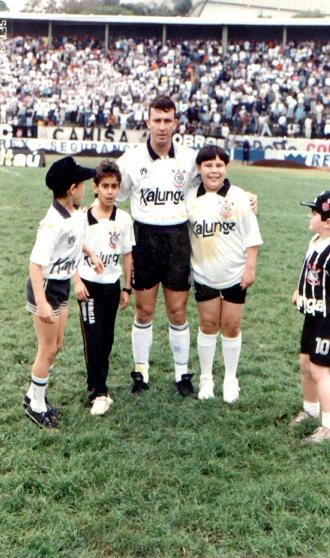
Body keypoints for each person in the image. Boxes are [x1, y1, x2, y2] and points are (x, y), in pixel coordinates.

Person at [117, 95, 258, 396]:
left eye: (168, 121)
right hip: (144, 237)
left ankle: (183, 373)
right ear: (148, 122)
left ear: (176, 123)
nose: (162, 127)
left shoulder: (189, 158)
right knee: (143, 311)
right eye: (157, 120)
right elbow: (112, 195)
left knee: (178, 311)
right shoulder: (130, 160)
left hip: (178, 238)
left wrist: (245, 196)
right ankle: (141, 371)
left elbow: (215, 178)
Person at [24, 156, 103, 429]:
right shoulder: (52, 223)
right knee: (46, 349)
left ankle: (34, 395)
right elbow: (35, 265)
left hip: (61, 285)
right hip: (46, 288)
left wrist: (91, 252)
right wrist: (43, 303)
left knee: (56, 346)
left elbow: (75, 242)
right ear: (72, 188)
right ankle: (35, 406)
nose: (86, 187)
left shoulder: (74, 214)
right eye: (82, 183)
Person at [186, 145, 263, 402]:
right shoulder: (189, 198)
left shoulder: (239, 196)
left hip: (235, 273)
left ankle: (231, 378)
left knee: (231, 326)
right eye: (208, 165)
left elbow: (252, 236)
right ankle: (206, 379)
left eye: (219, 165)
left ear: (226, 168)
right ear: (199, 169)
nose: (214, 171)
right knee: (208, 325)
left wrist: (250, 268)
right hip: (204, 273)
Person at [74, 160, 135, 416]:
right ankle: (100, 392)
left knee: (107, 339)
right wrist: (76, 281)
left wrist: (127, 289)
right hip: (88, 287)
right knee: (94, 338)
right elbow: (73, 252)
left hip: (112, 286)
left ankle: (95, 383)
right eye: (105, 186)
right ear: (95, 188)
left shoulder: (124, 219)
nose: (110, 191)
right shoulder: (82, 219)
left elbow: (128, 255)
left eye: (115, 186)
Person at [291, 191, 330, 443]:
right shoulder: (316, 240)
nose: (310, 216)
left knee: (320, 370)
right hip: (312, 313)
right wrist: (300, 290)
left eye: (314, 213)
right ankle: (311, 409)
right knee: (306, 363)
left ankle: (328, 425)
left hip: (327, 318)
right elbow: (309, 272)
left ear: (328, 221)